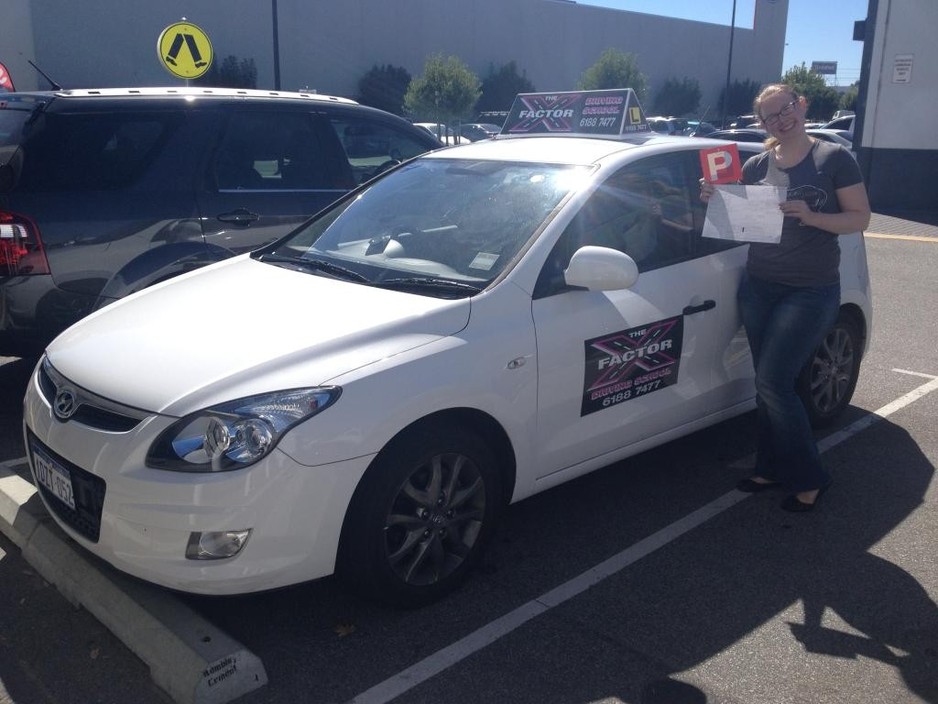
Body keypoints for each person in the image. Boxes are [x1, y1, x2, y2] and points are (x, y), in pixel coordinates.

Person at [700, 84, 871, 512]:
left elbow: (860, 218)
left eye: (786, 109)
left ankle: (811, 478)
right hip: (760, 286)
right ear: (763, 124)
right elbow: (740, 221)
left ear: (802, 106)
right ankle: (770, 467)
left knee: (774, 383)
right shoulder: (757, 165)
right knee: (768, 384)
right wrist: (714, 200)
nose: (781, 119)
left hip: (810, 290)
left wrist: (813, 216)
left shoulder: (833, 158)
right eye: (770, 116)